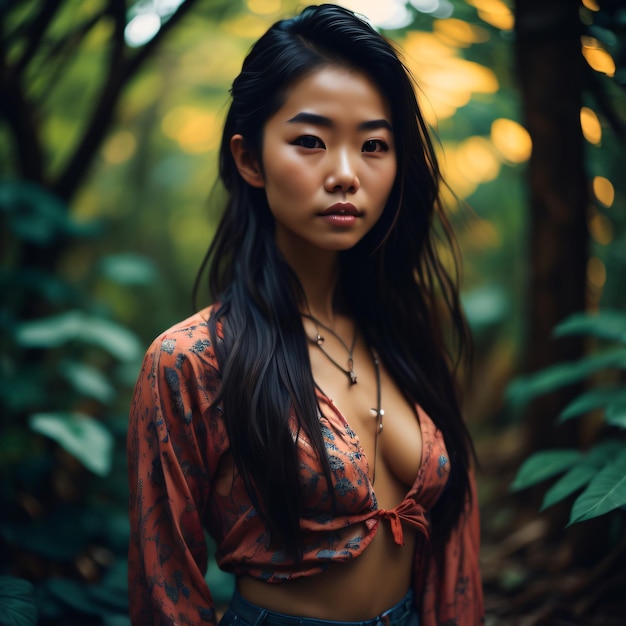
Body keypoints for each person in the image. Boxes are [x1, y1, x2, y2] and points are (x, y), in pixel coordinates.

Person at [127, 4, 483, 625]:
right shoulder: (193, 360)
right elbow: (166, 590)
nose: (345, 174)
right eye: (310, 141)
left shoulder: (403, 332)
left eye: (374, 145)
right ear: (250, 160)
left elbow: (453, 548)